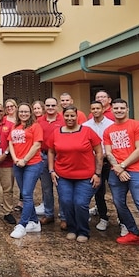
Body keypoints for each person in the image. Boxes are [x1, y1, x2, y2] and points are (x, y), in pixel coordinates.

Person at [103, 98, 139, 263]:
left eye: (122, 108)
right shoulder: (108, 130)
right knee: (118, 203)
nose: (119, 110)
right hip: (117, 171)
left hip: (137, 170)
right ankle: (134, 232)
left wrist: (122, 165)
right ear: (112, 110)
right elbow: (108, 152)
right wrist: (118, 168)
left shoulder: (137, 126)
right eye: (116, 108)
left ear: (127, 109)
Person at [48, 106, 102, 242]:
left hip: (86, 176)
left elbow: (99, 152)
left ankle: (83, 230)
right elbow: (51, 151)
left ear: (77, 116)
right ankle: (72, 228)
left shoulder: (87, 131)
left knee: (80, 203)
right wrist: (51, 170)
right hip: (63, 175)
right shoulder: (56, 132)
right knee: (66, 202)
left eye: (72, 116)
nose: (70, 118)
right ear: (63, 117)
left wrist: (98, 173)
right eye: (67, 116)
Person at [9, 103, 44, 239]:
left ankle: (22, 225)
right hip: (17, 163)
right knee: (25, 194)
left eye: (26, 112)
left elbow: (37, 145)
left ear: (31, 113)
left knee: (27, 194)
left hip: (32, 164)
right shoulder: (15, 126)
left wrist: (24, 159)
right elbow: (11, 143)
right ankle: (35, 222)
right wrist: (15, 158)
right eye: (21, 112)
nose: (23, 114)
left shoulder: (35, 126)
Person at [83, 100, 114, 231]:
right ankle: (103, 217)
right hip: (94, 162)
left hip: (111, 161)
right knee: (98, 191)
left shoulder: (111, 124)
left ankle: (121, 219)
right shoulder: (85, 126)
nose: (95, 110)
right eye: (93, 108)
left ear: (103, 109)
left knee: (116, 192)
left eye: (98, 108)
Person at [36, 97, 63, 225]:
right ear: (44, 107)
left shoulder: (63, 120)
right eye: (48, 105)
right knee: (46, 188)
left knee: (61, 188)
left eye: (53, 105)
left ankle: (64, 216)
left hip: (60, 157)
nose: (50, 108)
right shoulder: (39, 121)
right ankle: (49, 213)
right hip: (43, 156)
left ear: (57, 106)